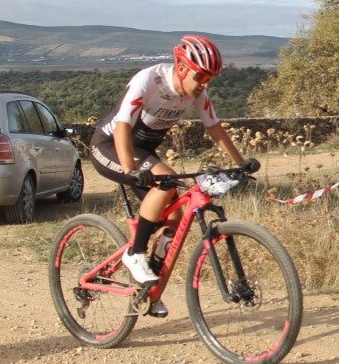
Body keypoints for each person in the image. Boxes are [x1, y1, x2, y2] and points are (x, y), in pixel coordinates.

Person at [89, 34, 259, 317]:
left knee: (175, 220)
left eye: (210, 78)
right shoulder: (149, 80)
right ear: (181, 68)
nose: (204, 84)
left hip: (144, 153)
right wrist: (131, 169)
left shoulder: (197, 93)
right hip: (110, 146)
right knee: (166, 179)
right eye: (201, 76)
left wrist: (241, 164)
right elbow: (122, 126)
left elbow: (214, 129)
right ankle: (136, 253)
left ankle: (150, 291)